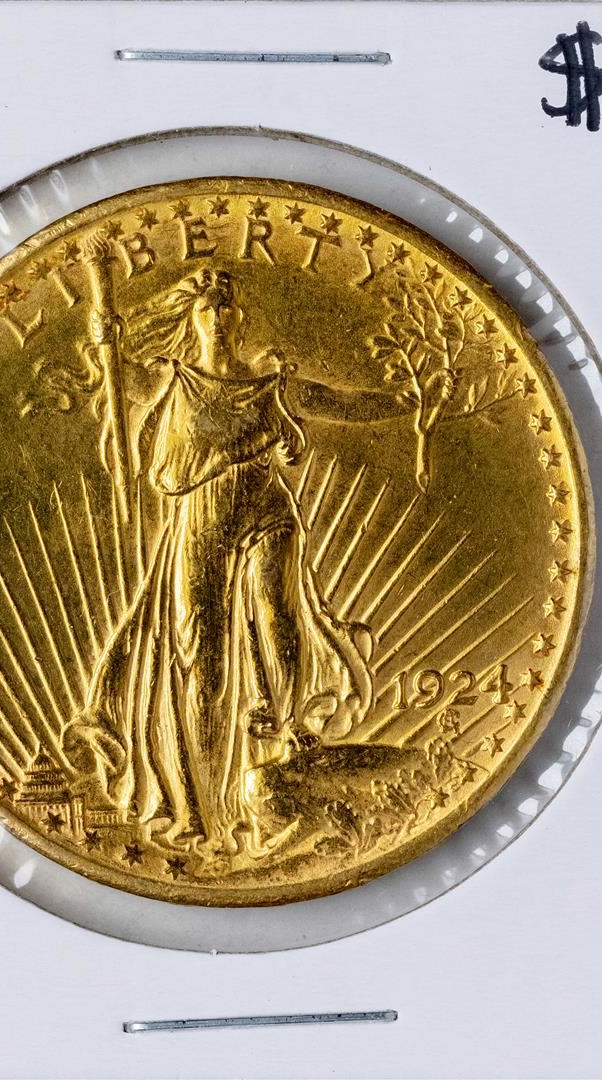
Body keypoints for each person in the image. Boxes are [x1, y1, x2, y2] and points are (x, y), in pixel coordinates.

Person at [61, 268, 417, 856]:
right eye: (208, 309)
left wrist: (411, 401)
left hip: (267, 508)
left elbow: (338, 403)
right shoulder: (175, 382)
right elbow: (127, 385)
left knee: (280, 613)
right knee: (202, 656)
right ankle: (204, 800)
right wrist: (105, 332)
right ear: (193, 320)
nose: (219, 318)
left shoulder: (271, 383)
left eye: (227, 308)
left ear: (240, 318)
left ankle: (283, 726)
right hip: (202, 522)